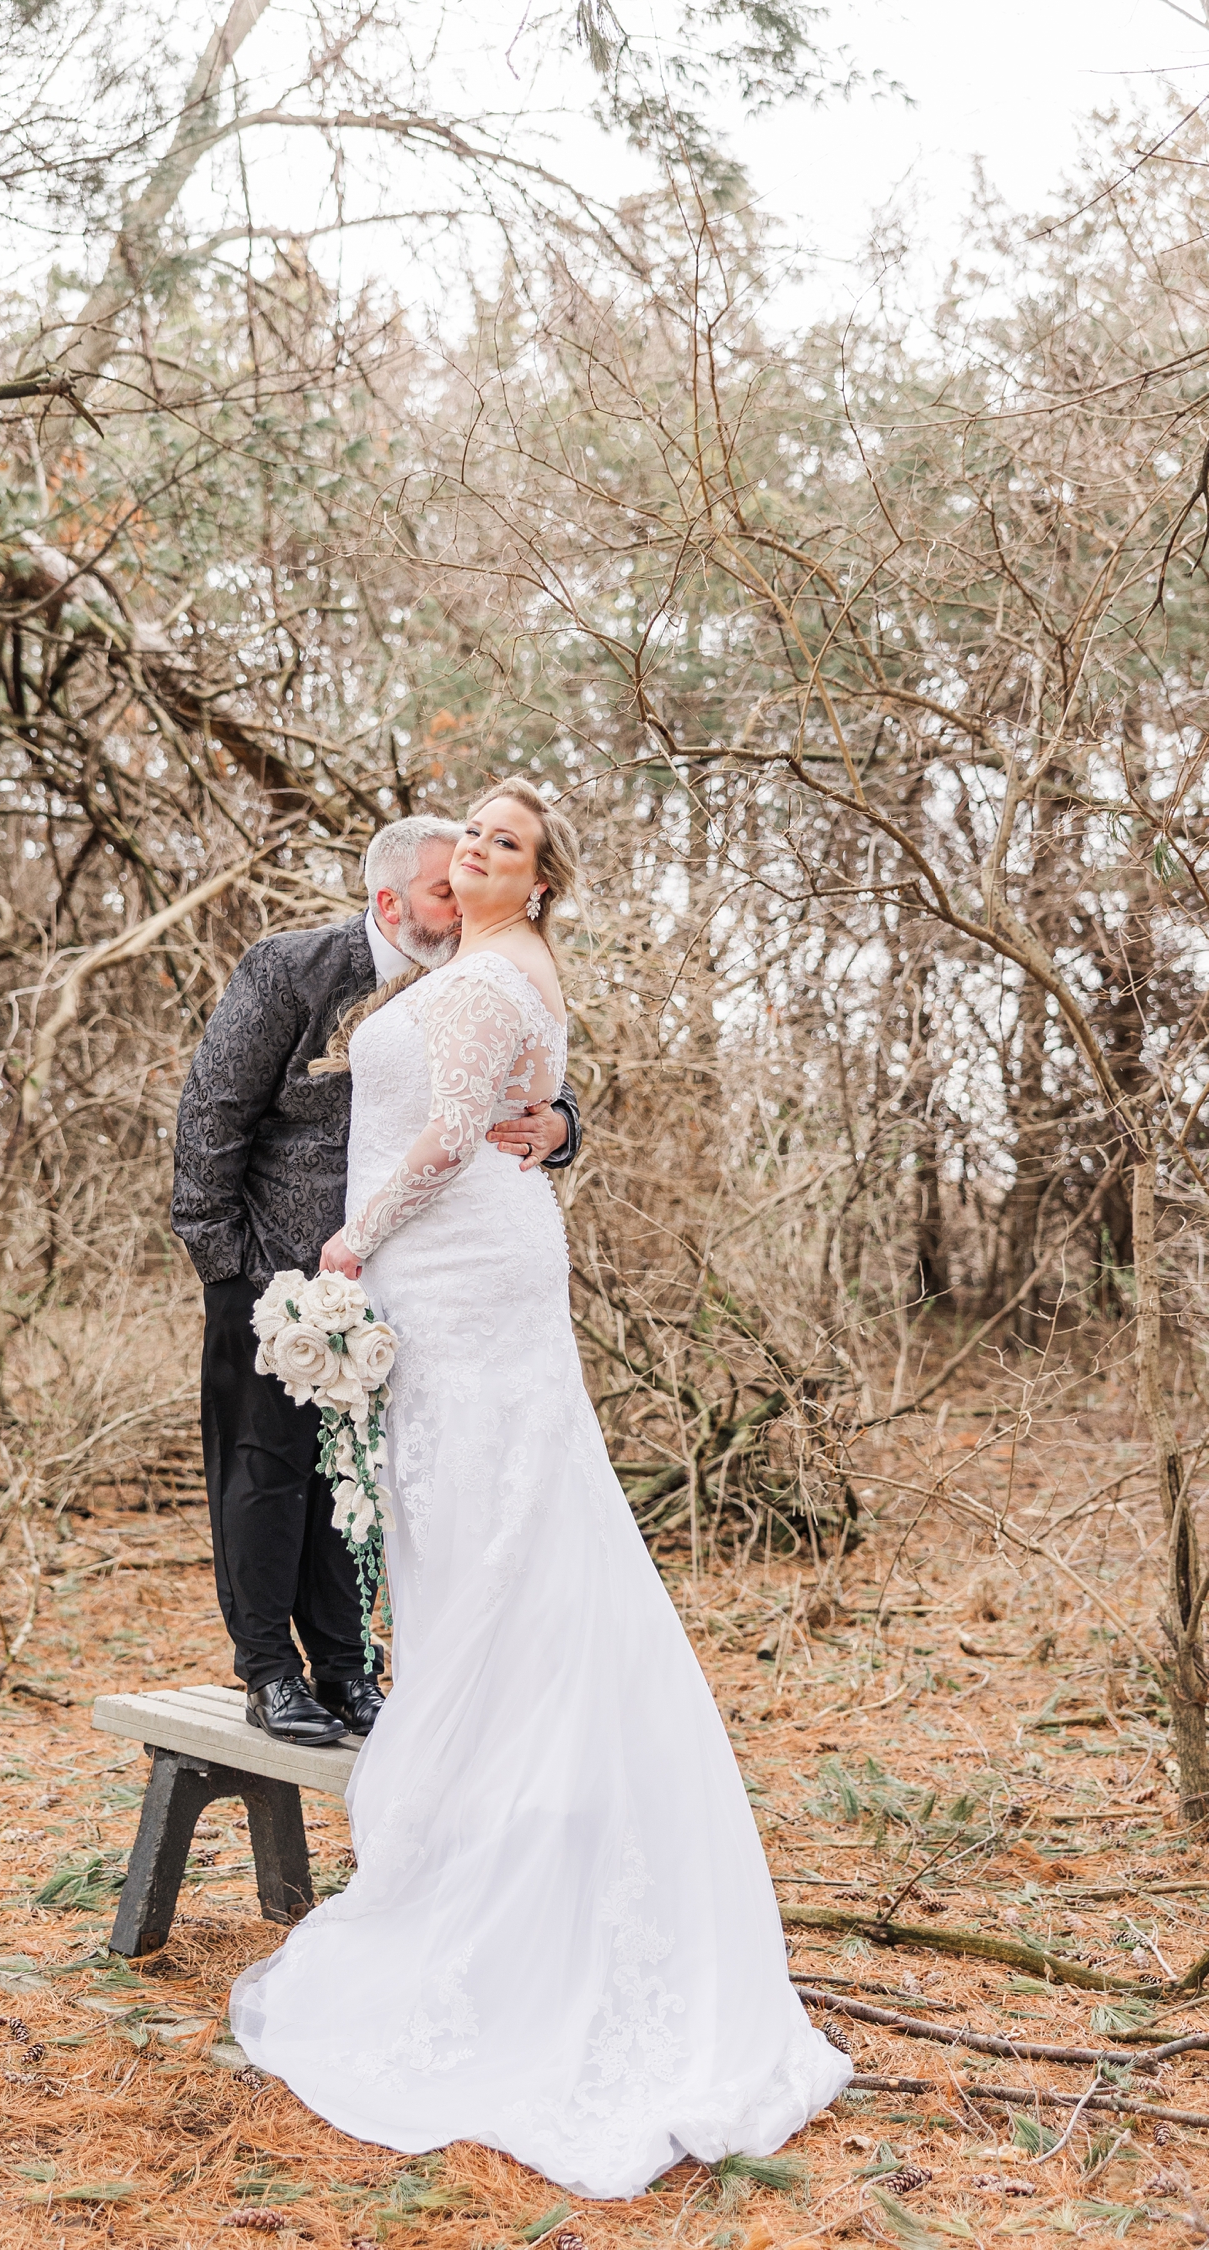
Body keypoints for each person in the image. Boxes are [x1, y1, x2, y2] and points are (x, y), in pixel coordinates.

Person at [229, 780, 851, 2199]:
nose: (475, 851)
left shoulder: (498, 971)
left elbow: (451, 1136)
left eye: (503, 843)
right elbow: (514, 1104)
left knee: (507, 1530)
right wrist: (537, 1131)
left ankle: (507, 1854)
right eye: (465, 834)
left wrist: (349, 1241)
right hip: (451, 1273)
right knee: (467, 1535)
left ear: (540, 878)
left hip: (455, 1260)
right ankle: (481, 1809)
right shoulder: (467, 968)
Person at [171, 815, 583, 1747]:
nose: (461, 900)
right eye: (444, 889)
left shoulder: (478, 973)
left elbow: (522, 1083)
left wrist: (563, 1125)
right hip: (276, 1269)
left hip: (410, 1281)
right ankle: (270, 1674)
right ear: (390, 901)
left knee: (359, 1482)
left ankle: (350, 1669)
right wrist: (226, 1267)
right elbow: (211, 1116)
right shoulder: (292, 969)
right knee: (267, 1471)